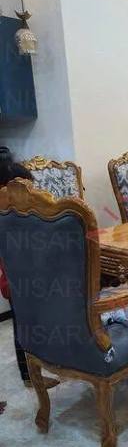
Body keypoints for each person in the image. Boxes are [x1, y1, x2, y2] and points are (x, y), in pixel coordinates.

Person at [0, 147, 34, 386]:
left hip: (24, 277)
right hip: (14, 280)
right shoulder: (7, 219)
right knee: (23, 325)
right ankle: (28, 374)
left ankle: (35, 367)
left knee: (27, 323)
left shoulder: (21, 216)